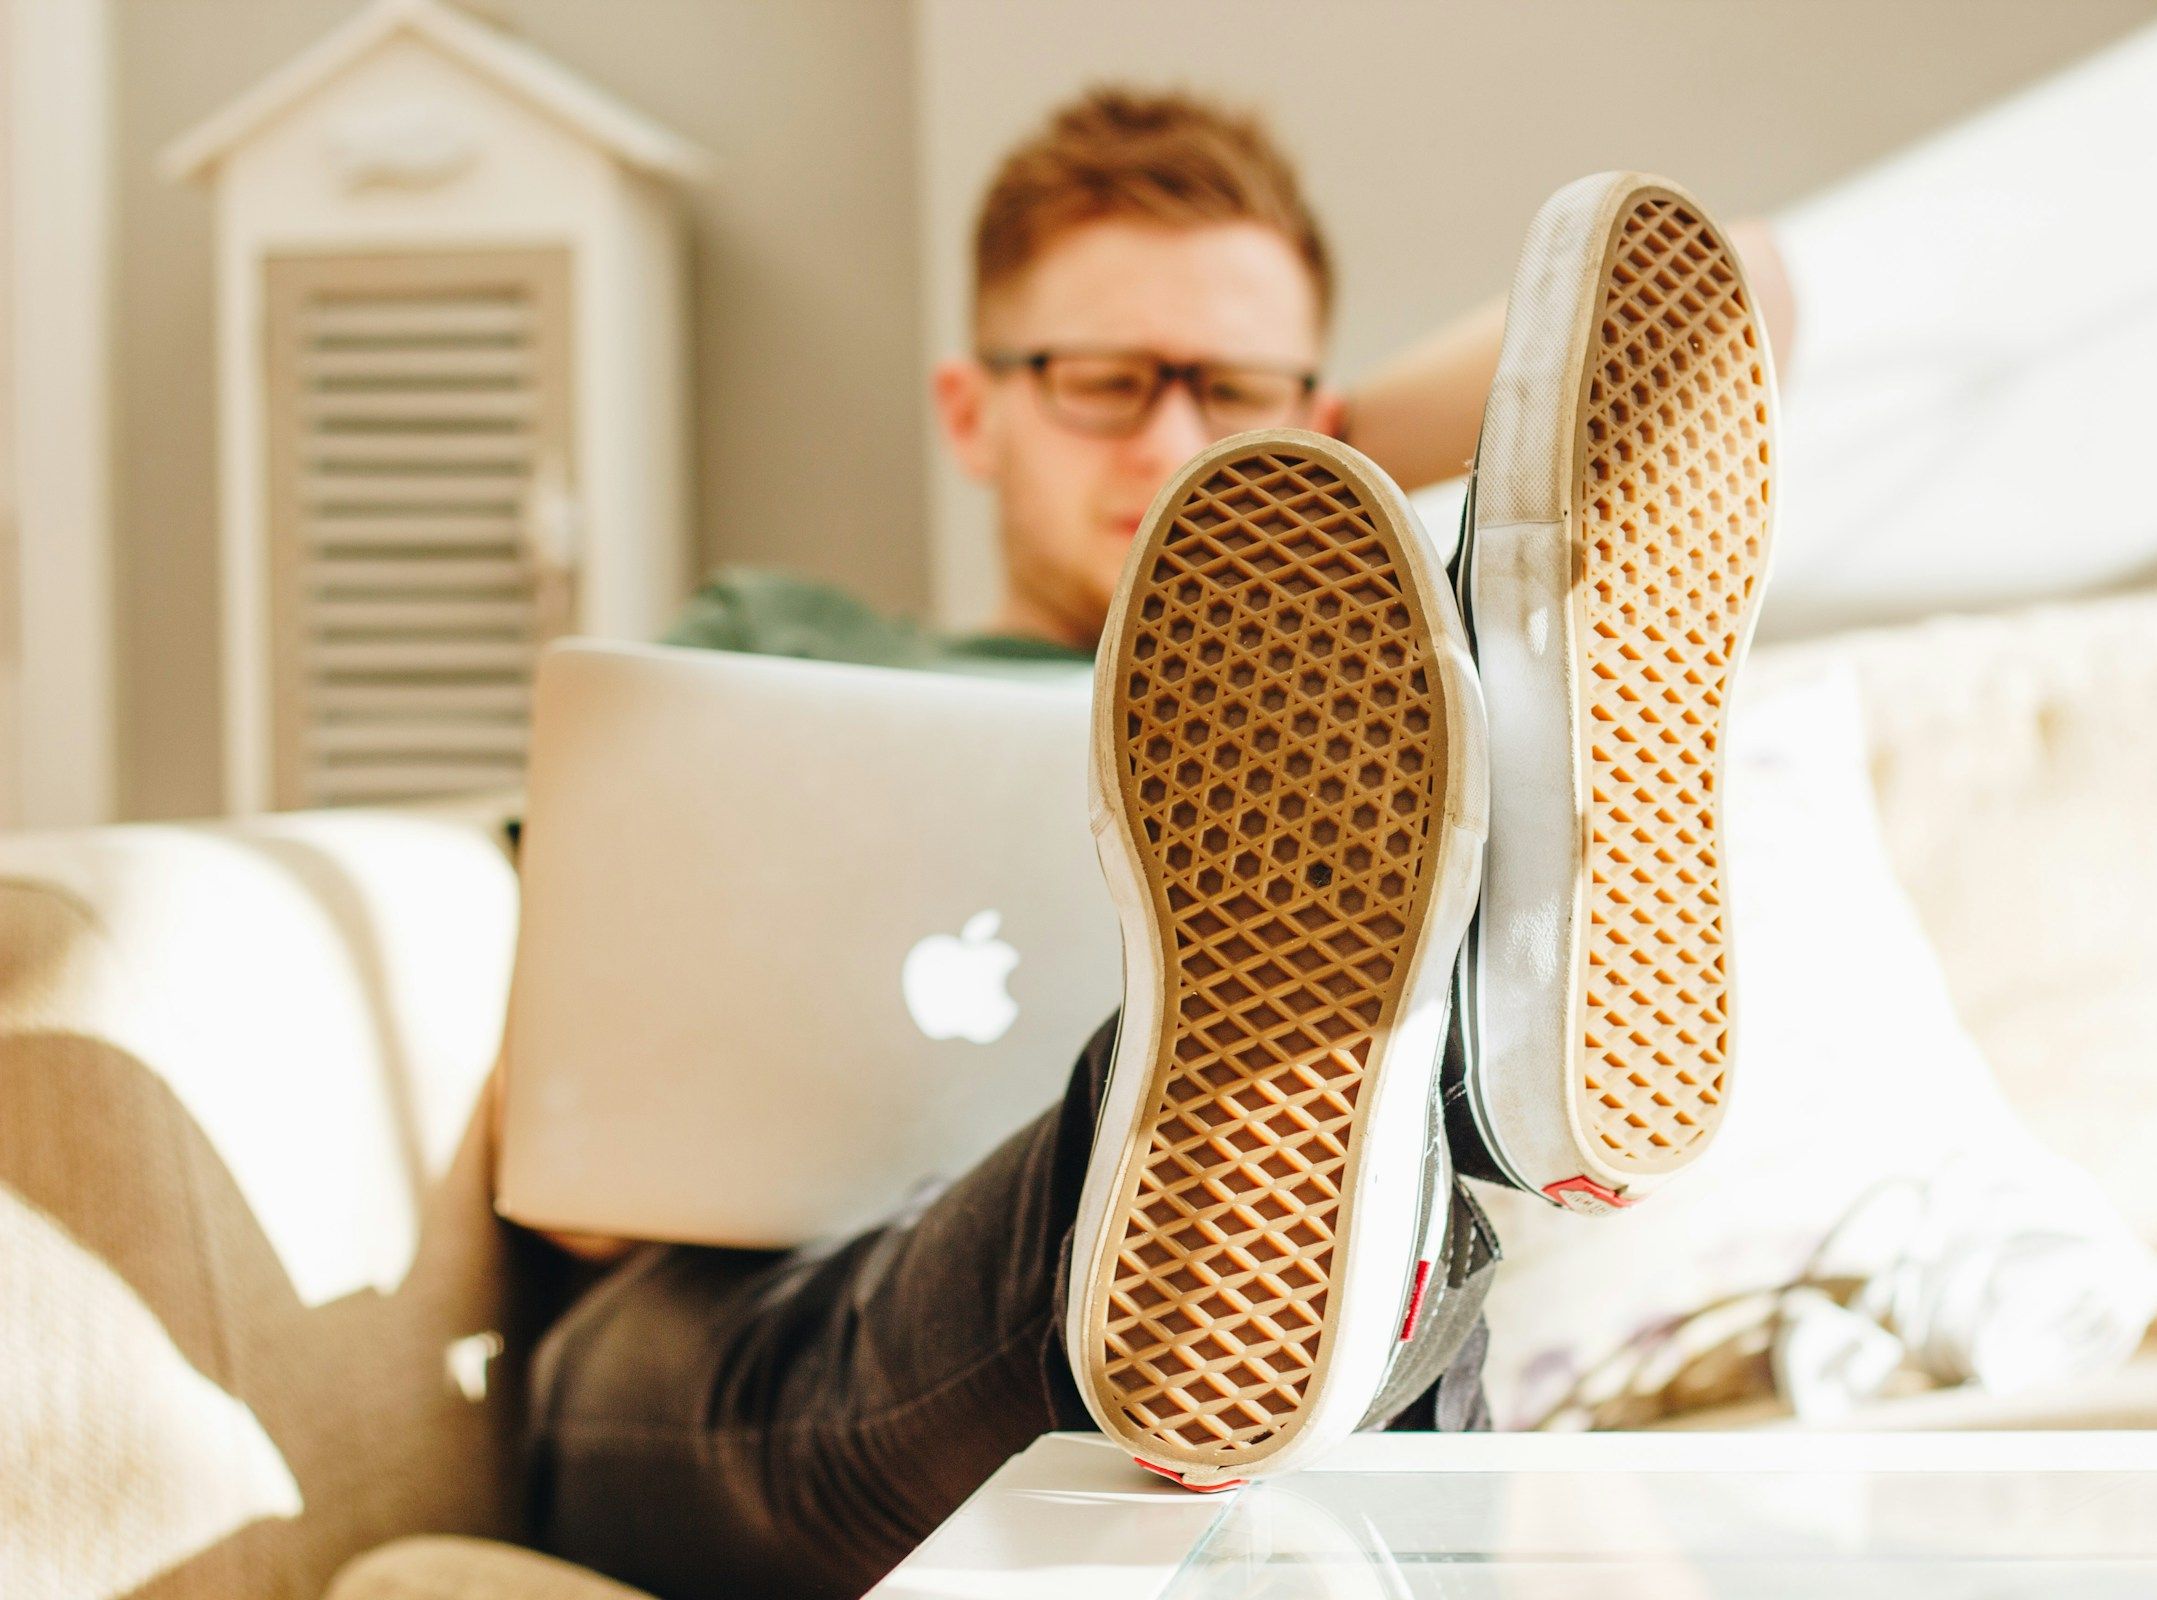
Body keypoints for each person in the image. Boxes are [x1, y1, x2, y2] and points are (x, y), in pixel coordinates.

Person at [518, 85, 1791, 1600]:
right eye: (1108, 382)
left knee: (1365, 1212)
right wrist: (1265, 432)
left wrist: (1283, 486)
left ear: (1323, 407)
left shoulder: (1362, 707)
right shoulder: (769, 643)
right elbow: (567, 1147)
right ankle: (1451, 1054)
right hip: (759, 1333)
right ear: (969, 408)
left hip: (1227, 1352)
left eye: (1230, 387)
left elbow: (1751, 287)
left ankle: (1381, 1099)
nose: (1173, 437)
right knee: (1264, 1145)